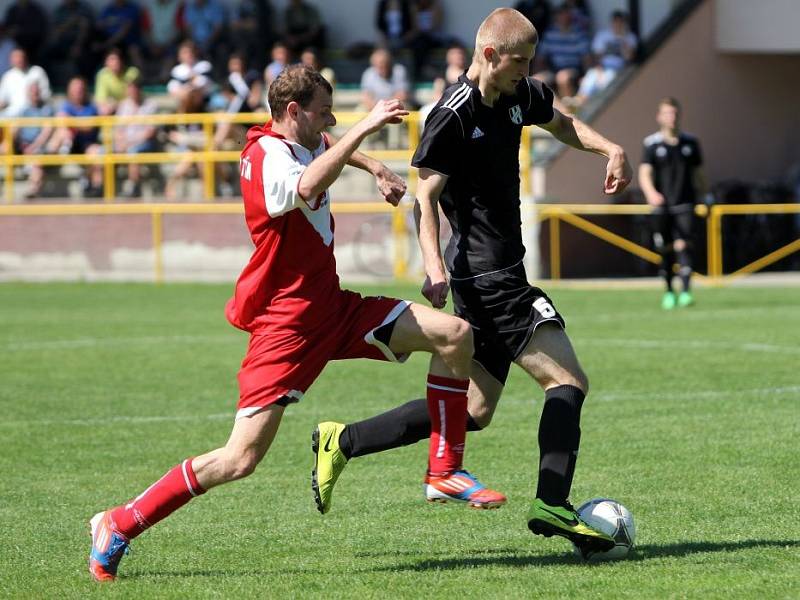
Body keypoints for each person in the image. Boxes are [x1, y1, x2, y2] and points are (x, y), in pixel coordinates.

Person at [87, 64, 505, 581]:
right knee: (240, 460)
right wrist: (367, 127)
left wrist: (374, 166)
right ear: (293, 111)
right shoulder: (266, 157)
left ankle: (444, 469)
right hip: (286, 327)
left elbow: (326, 146)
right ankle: (119, 521)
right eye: (323, 111)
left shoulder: (295, 138)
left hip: (333, 308)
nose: (330, 120)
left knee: (454, 334)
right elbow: (308, 179)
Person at [312, 7, 633, 557]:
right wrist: (433, 267)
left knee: (475, 412)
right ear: (490, 55)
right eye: (520, 61)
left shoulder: (517, 95)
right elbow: (426, 200)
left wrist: (610, 148)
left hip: (497, 273)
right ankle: (553, 502)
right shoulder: (451, 117)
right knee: (567, 382)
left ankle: (342, 439)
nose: (528, 72)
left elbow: (561, 122)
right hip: (488, 279)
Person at [639, 97, 706, 309]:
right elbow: (644, 172)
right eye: (667, 113)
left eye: (675, 113)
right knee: (666, 248)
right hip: (661, 205)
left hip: (686, 202)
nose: (672, 117)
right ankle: (669, 291)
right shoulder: (652, 144)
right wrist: (651, 193)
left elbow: (699, 174)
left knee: (684, 245)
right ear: (659, 117)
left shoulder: (691, 143)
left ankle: (686, 292)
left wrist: (706, 195)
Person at [48, 76, 104, 197]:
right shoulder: (66, 105)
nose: (78, 92)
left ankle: (96, 187)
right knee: (63, 131)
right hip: (70, 142)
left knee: (96, 153)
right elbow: (61, 118)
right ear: (70, 91)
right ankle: (52, 155)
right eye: (75, 89)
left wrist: (72, 121)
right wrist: (75, 123)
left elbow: (88, 126)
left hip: (86, 145)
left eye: (80, 89)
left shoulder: (91, 107)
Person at [533, 3, 591, 101]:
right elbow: (540, 57)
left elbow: (586, 57)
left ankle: (567, 112)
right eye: (560, 14)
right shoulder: (550, 33)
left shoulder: (578, 33)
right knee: (536, 79)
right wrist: (538, 70)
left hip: (574, 69)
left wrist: (587, 77)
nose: (563, 17)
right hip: (554, 69)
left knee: (563, 77)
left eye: (566, 14)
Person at [114, 79, 158, 197]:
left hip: (143, 143)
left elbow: (150, 132)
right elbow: (118, 130)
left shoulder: (150, 105)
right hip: (125, 142)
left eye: (134, 89)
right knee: (103, 152)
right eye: (130, 89)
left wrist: (129, 143)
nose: (132, 92)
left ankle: (134, 187)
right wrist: (121, 142)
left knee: (133, 152)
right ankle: (101, 186)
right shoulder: (123, 105)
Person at [15, 82, 54, 199]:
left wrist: (32, 147)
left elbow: (47, 132)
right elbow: (15, 130)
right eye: (32, 91)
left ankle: (33, 190)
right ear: (28, 94)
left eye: (36, 91)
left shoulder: (47, 109)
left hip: (41, 148)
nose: (35, 94)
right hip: (24, 147)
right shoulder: (23, 111)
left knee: (37, 161)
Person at [0, 47, 50, 117]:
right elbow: (2, 100)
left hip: (36, 112)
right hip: (13, 115)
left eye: (20, 57)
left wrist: (35, 99)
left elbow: (46, 95)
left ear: (26, 57)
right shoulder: (7, 76)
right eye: (15, 57)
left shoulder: (37, 71)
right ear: (10, 60)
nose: (18, 60)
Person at [94, 48, 140, 115]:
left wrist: (115, 105)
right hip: (113, 109)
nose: (115, 63)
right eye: (112, 60)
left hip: (131, 108)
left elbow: (132, 98)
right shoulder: (102, 75)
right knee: (103, 110)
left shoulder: (133, 72)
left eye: (117, 59)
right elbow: (100, 100)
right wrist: (108, 106)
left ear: (122, 61)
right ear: (106, 62)